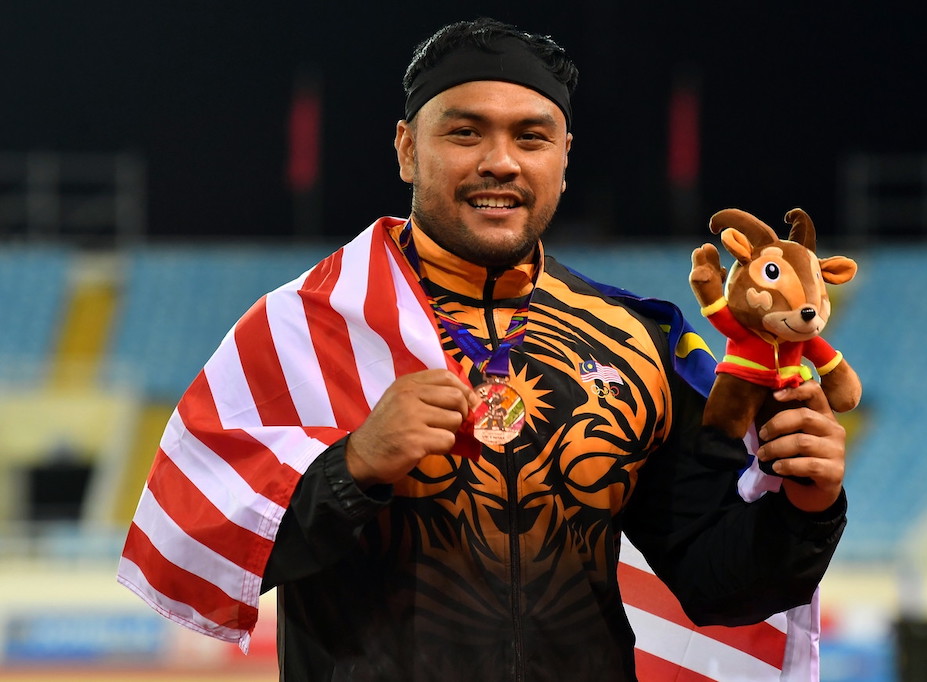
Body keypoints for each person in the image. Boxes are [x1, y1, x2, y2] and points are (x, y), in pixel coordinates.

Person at [118, 17, 848, 682]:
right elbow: (204, 551)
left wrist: (807, 507)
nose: (500, 162)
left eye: (530, 137)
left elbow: (717, 584)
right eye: (465, 133)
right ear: (407, 148)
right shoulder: (302, 329)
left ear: (564, 158)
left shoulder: (639, 341)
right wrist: (353, 466)